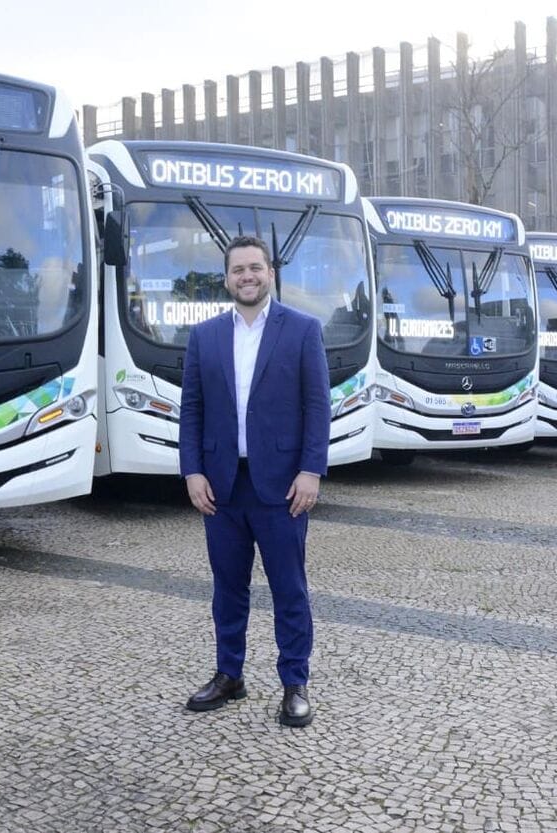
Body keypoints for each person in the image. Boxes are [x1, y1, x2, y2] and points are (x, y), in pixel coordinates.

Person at [178, 234, 330, 728]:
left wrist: (311, 470)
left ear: (270, 273)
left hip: (283, 486)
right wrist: (193, 470)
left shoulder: (302, 330)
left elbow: (316, 407)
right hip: (221, 486)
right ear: (226, 278)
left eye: (255, 268)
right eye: (238, 269)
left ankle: (294, 683)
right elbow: (193, 409)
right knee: (228, 588)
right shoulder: (204, 337)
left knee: (289, 589)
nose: (247, 276)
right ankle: (230, 675)